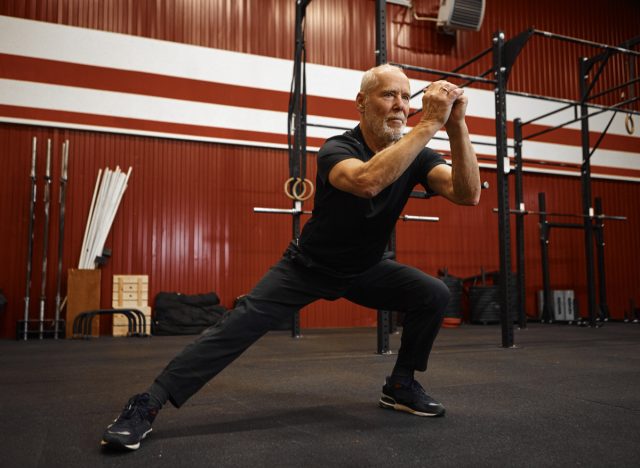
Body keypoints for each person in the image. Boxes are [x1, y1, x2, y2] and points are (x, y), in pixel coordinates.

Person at [101, 64, 480, 450]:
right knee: (236, 326)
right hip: (308, 267)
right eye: (388, 95)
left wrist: (457, 126)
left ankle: (400, 385)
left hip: (366, 268)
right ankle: (147, 403)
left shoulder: (417, 153)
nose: (400, 105)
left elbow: (468, 193)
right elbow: (367, 181)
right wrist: (430, 124)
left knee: (432, 294)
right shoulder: (338, 148)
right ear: (361, 103)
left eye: (405, 97)